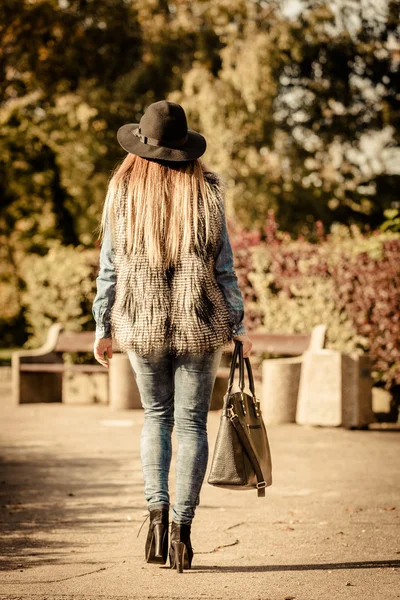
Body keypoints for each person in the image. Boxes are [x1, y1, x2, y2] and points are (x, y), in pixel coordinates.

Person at [92, 100, 252, 573]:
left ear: (140, 146)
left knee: (156, 418)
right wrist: (238, 324)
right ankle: (183, 532)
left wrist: (103, 326)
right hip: (198, 321)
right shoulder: (207, 191)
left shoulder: (121, 192)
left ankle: (157, 522)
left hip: (140, 322)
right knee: (191, 425)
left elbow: (109, 267)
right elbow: (225, 268)